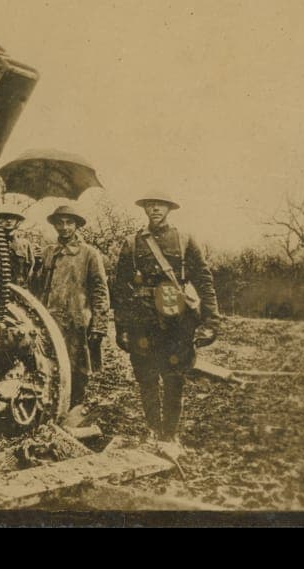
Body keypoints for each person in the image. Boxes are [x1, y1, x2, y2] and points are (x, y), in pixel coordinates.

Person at [112, 190, 220, 459]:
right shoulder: (132, 242)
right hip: (141, 319)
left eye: (160, 205)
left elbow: (204, 280)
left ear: (169, 209)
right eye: (150, 205)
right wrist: (121, 326)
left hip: (176, 319)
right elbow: (120, 288)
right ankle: (152, 430)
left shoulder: (184, 241)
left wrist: (211, 321)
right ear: (145, 209)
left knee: (174, 376)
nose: (155, 209)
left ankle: (169, 434)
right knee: (146, 377)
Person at [34, 204, 110, 412]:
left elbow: (100, 291)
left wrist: (99, 325)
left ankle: (73, 411)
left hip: (77, 321)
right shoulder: (48, 253)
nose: (64, 227)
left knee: (77, 369)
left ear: (76, 226)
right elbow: (38, 286)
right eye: (60, 223)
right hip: (49, 320)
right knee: (48, 364)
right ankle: (50, 409)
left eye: (69, 223)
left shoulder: (89, 254)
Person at [0, 204, 38, 289]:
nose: (9, 221)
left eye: (12, 218)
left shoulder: (24, 244)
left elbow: (31, 268)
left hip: (19, 288)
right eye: (5, 217)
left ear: (18, 221)